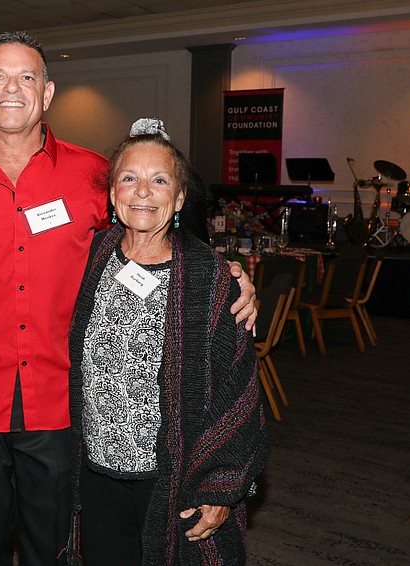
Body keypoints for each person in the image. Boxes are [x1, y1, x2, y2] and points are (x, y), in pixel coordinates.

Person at [0, 32, 257, 565]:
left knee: (52, 548)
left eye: (27, 77)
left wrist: (227, 275)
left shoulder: (91, 174)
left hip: (64, 402)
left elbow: (149, 225)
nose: (13, 89)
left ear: (47, 93)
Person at [66, 119, 269, 565]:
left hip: (175, 479)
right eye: (129, 178)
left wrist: (222, 485)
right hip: (97, 471)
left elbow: (239, 387)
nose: (142, 192)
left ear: (178, 198)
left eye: (159, 180)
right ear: (111, 193)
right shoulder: (91, 256)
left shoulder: (211, 277)